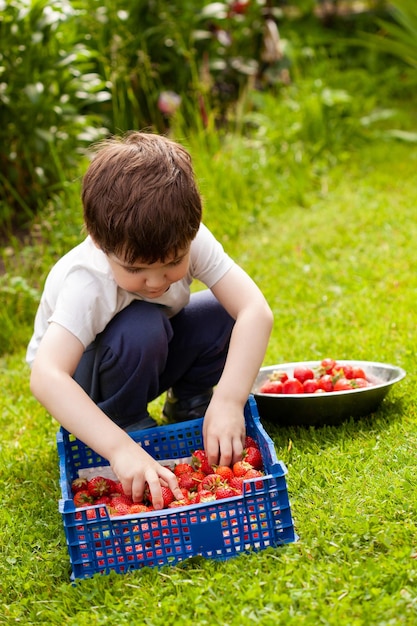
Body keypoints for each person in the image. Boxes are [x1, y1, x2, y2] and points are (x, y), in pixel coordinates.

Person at [27, 131, 273, 509]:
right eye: (136, 269)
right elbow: (47, 376)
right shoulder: (86, 282)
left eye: (174, 263)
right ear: (97, 240)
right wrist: (119, 448)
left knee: (222, 312)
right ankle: (125, 424)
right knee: (142, 323)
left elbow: (255, 310)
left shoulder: (186, 236)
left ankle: (192, 407)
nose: (157, 281)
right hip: (86, 383)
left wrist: (228, 399)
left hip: (149, 353)